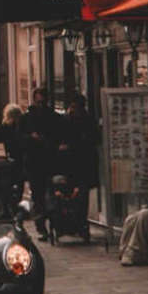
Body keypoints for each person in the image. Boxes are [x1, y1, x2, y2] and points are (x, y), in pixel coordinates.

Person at [52, 94, 99, 235]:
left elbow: (91, 140)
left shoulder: (87, 121)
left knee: (81, 195)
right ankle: (68, 223)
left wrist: (70, 146)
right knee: (68, 194)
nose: (72, 110)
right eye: (71, 107)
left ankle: (79, 223)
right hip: (69, 164)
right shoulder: (65, 120)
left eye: (75, 107)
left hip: (83, 164)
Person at [20, 90, 61, 240]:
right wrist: (31, 138)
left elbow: (59, 136)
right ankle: (42, 226)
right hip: (34, 163)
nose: (41, 105)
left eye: (43, 102)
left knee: (52, 194)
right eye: (38, 102)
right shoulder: (27, 119)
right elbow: (20, 140)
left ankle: (54, 224)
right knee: (38, 196)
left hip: (50, 162)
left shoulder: (54, 118)